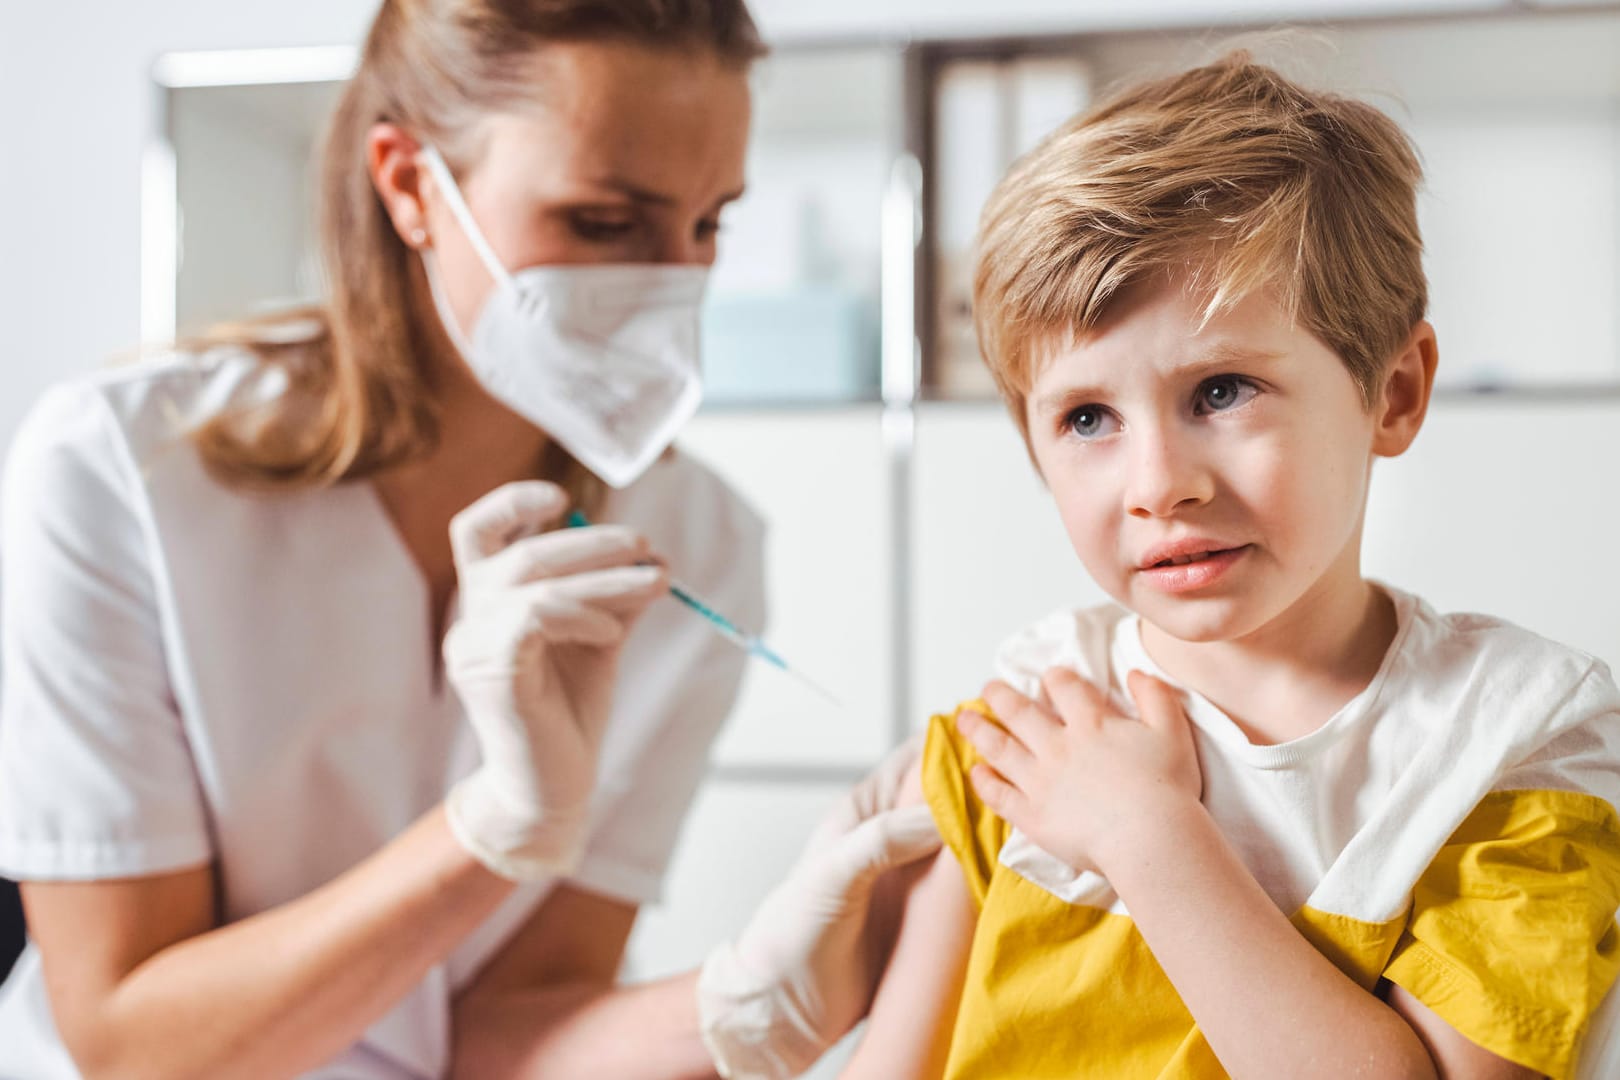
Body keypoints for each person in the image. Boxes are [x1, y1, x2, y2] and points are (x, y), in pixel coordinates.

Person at [0, 2, 938, 1077]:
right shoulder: (125, 469)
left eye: (710, 224)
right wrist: (492, 828)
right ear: (410, 185)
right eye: (600, 222)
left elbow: (502, 1040)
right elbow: (128, 1042)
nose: (672, 284)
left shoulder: (695, 540)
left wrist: (774, 986)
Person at [840, 55, 1620, 1079]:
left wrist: (1152, 841)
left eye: (1221, 392)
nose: (1157, 484)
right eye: (1086, 417)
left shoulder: (1514, 742)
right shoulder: (1031, 725)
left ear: (1392, 393)